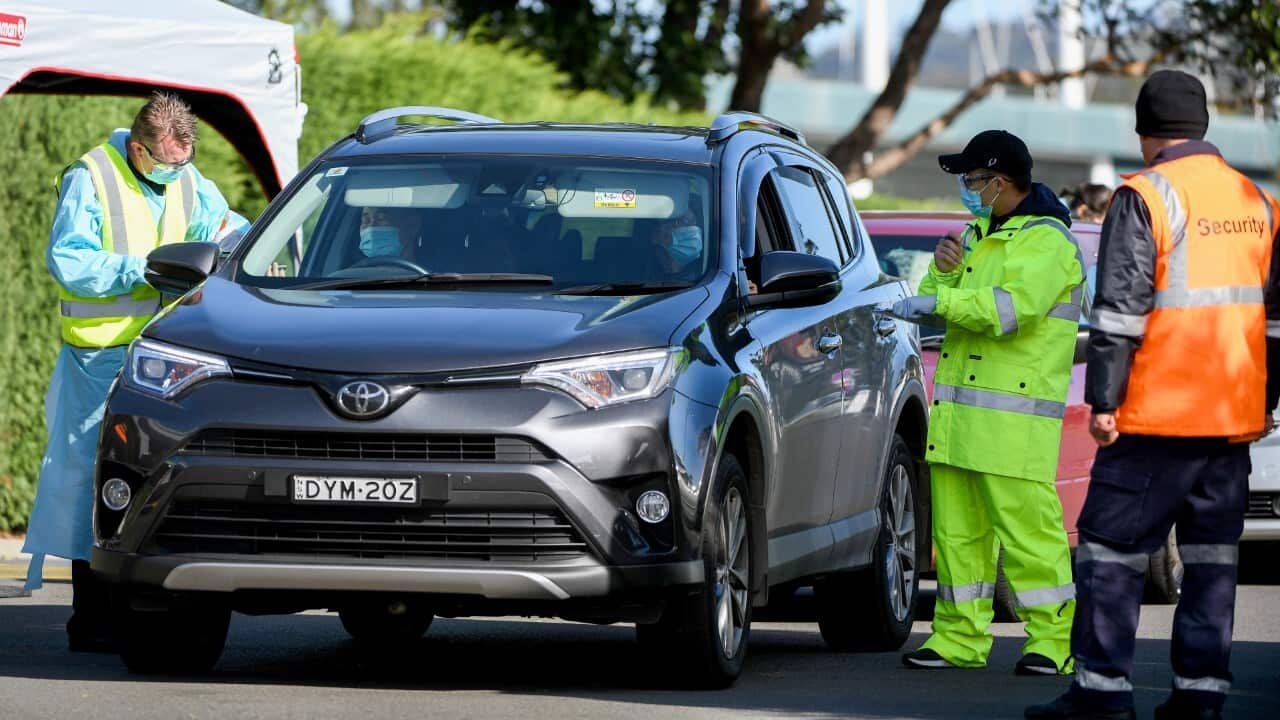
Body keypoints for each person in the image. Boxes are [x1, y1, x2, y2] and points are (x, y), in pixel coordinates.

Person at [1027, 70, 1280, 720]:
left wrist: (1104, 402)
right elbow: (1274, 321)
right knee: (1212, 561)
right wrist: (1265, 403)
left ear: (1144, 132)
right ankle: (1201, 698)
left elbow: (1118, 312)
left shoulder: (1145, 194)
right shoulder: (1256, 200)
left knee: (1109, 553)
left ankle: (1102, 694)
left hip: (1155, 421)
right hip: (1229, 426)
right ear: (1203, 127)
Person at [22, 91, 249, 651]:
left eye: (184, 163)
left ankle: (132, 610)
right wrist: (144, 271)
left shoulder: (189, 179)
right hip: (99, 357)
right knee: (89, 480)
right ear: (141, 151)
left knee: (149, 475)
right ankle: (91, 618)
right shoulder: (92, 176)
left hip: (167, 357)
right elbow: (69, 261)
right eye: (167, 164)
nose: (176, 174)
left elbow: (230, 230)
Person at [892, 130, 1085, 677]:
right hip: (958, 420)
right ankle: (957, 638)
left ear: (999, 182)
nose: (965, 189)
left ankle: (1053, 641)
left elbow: (1009, 312)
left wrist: (940, 294)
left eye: (971, 180)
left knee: (1031, 539)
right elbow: (938, 308)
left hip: (1013, 423)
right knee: (957, 540)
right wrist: (943, 271)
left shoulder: (1048, 242)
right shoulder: (978, 234)